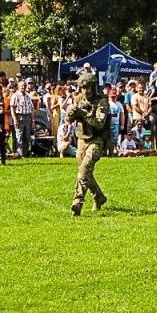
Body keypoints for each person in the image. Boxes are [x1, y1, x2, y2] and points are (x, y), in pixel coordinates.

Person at [67, 68, 111, 216]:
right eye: (82, 87)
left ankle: (77, 203)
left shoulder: (102, 101)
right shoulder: (78, 99)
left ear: (93, 86)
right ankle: (99, 197)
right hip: (81, 139)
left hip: (96, 140)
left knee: (84, 170)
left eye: (87, 87)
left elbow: (99, 123)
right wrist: (71, 113)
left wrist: (83, 114)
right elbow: (68, 120)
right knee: (86, 173)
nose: (84, 90)